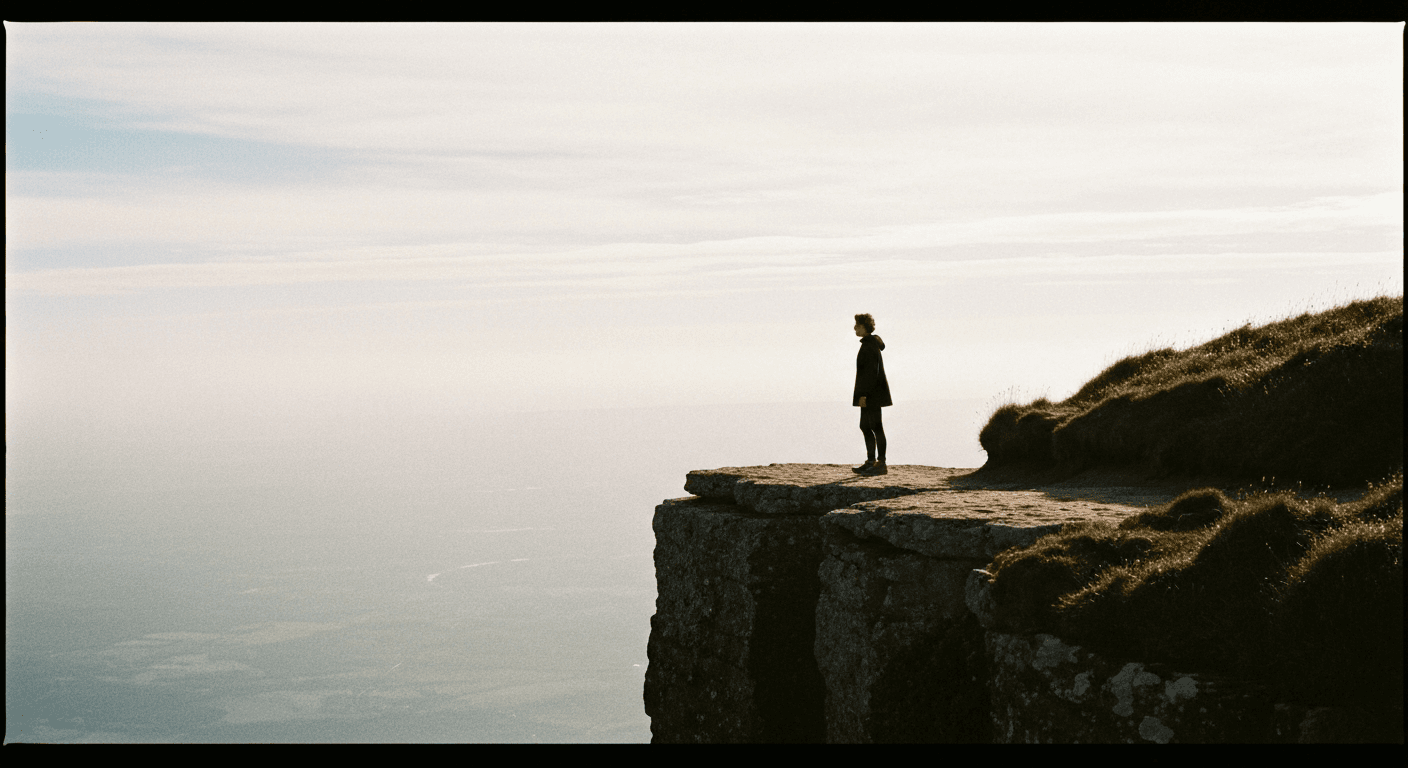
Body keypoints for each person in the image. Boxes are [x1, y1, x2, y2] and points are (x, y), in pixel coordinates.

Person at [851, 313, 891, 475]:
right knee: (866, 426)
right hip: (870, 393)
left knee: (875, 426)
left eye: (857, 325)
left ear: (864, 327)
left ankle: (881, 463)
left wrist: (864, 395)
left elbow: (871, 374)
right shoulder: (868, 344)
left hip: (871, 394)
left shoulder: (870, 346)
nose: (854, 328)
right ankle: (871, 462)